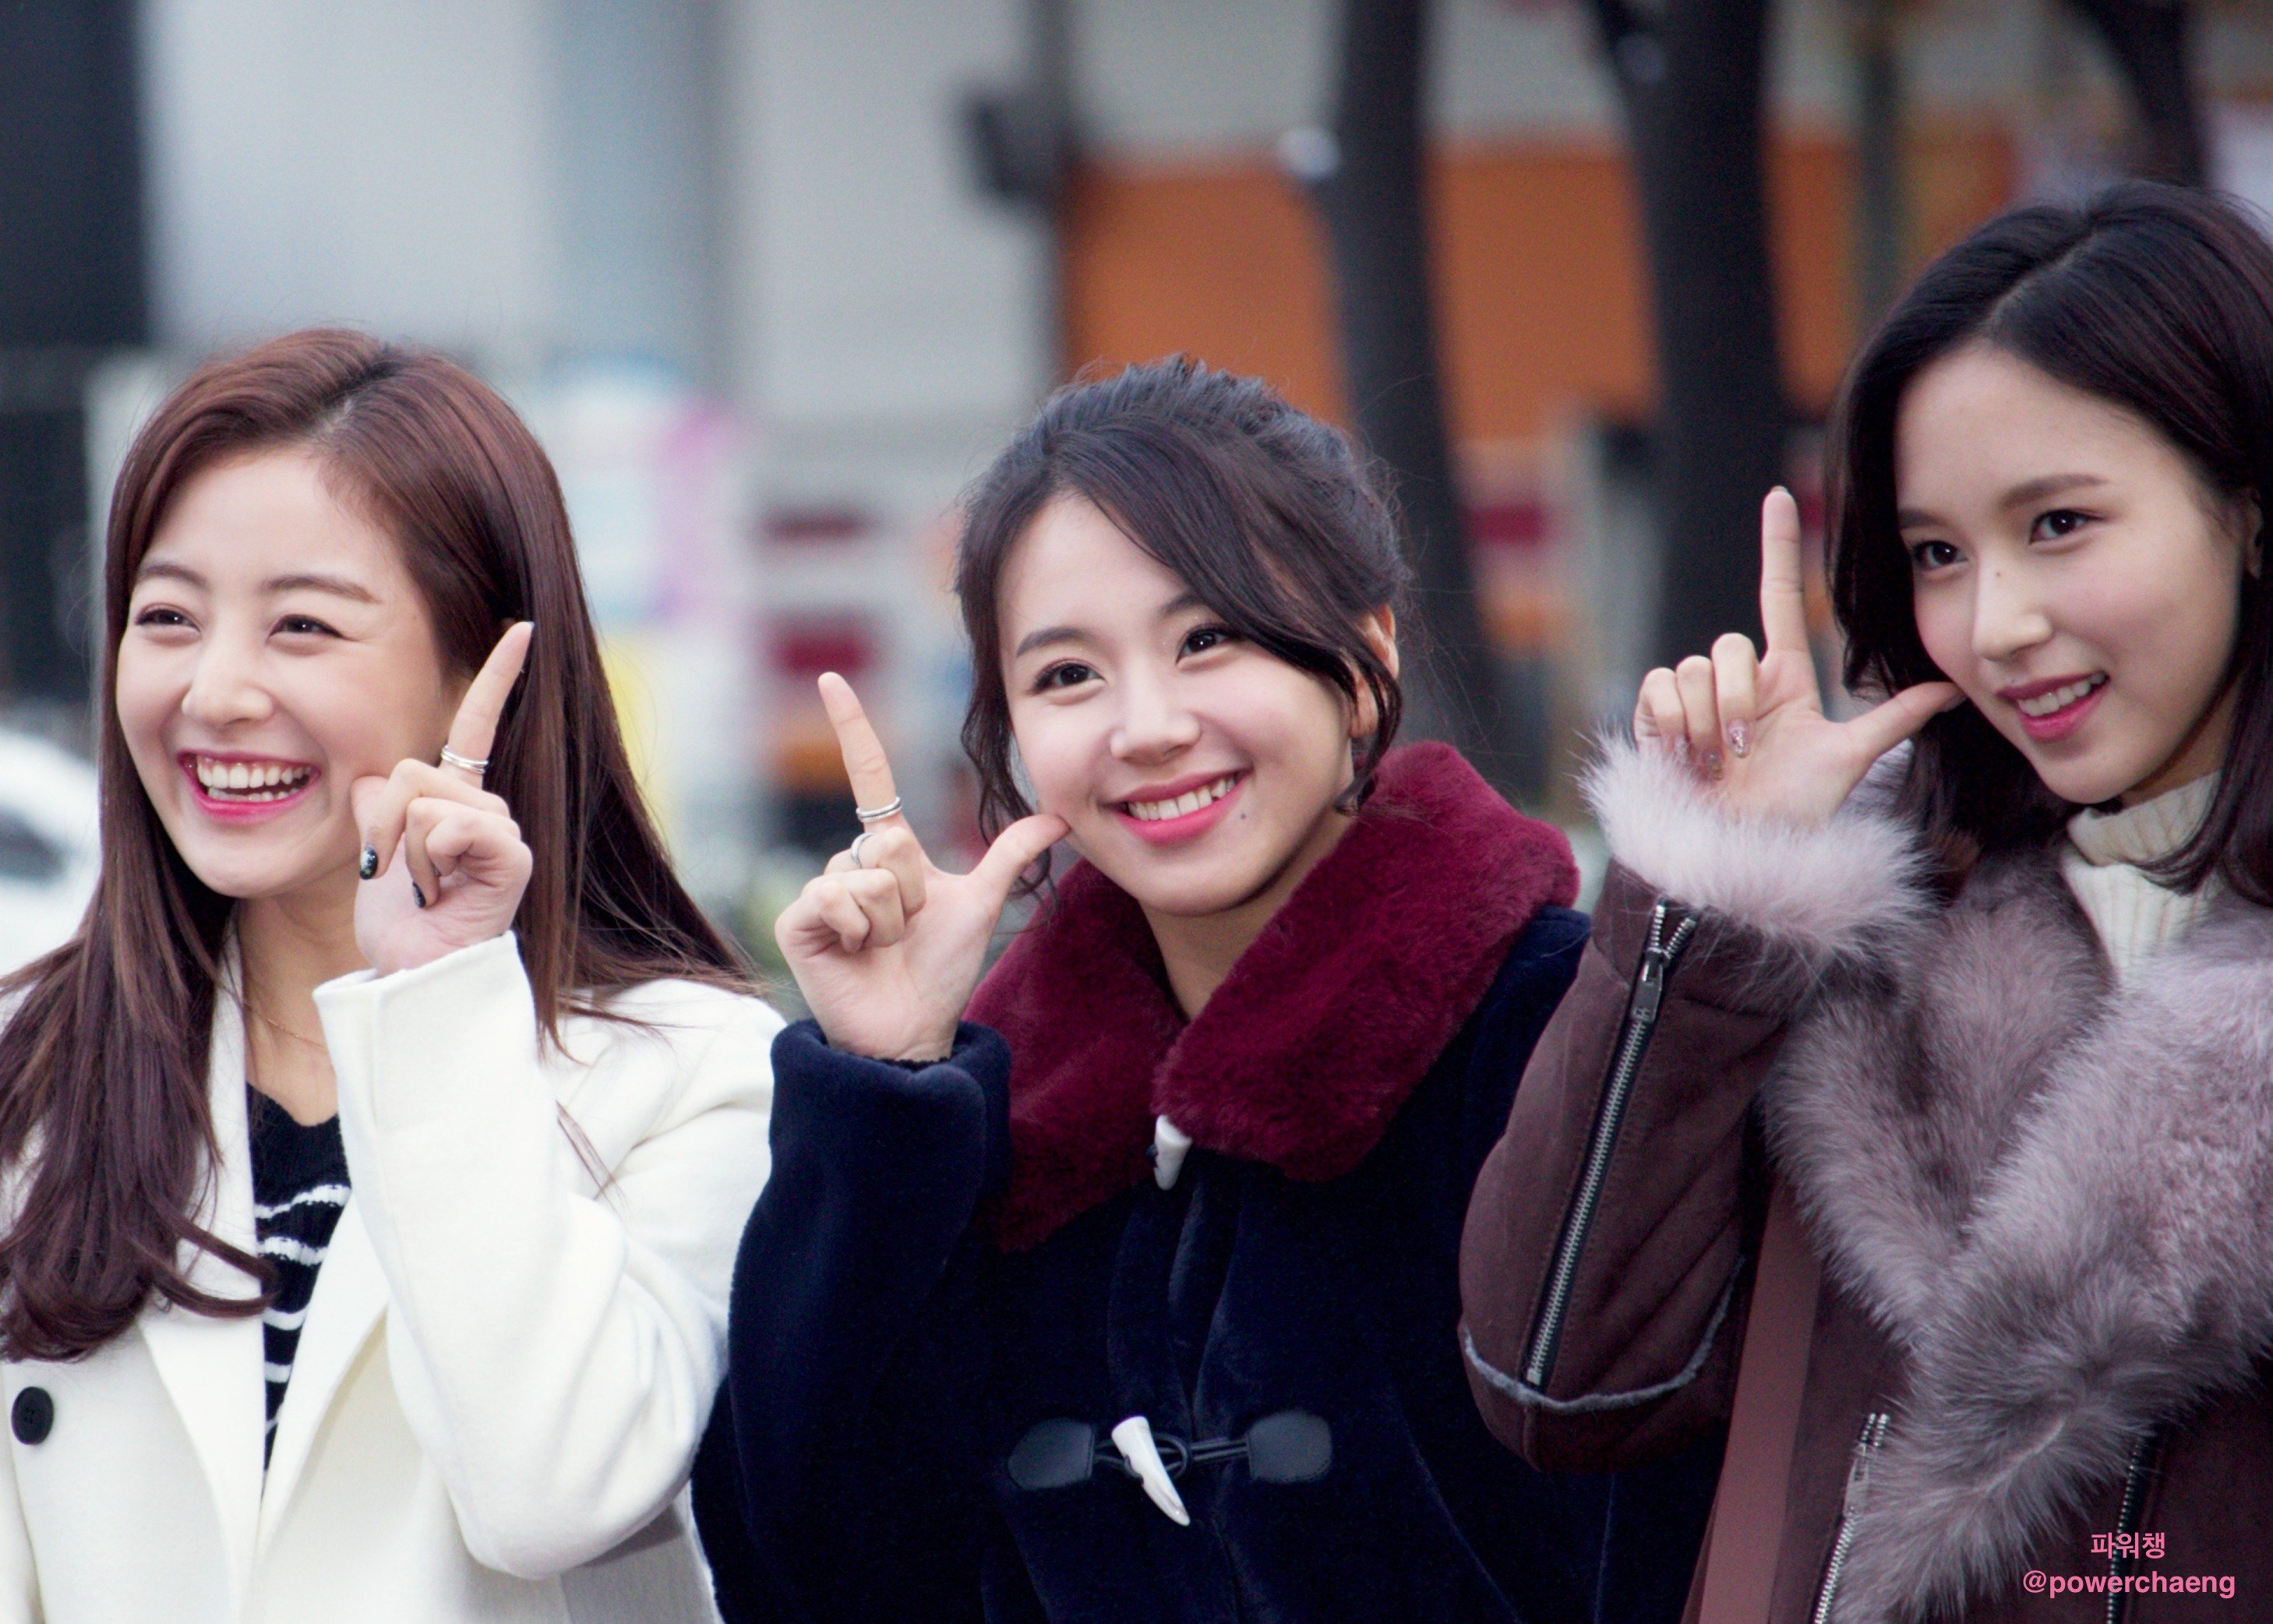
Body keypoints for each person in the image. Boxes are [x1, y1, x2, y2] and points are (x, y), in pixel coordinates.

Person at [690, 358, 1718, 1624]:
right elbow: (812, 1579)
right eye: (1066, 676)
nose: (1147, 726)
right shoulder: (993, 1122)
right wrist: (884, 1097)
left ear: (1363, 660)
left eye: (1206, 640)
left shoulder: (1565, 1031)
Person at [1459, 182, 2273, 1623]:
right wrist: (1716, 895)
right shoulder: (1864, 927)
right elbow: (1557, 1383)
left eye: (2060, 522)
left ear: (2248, 513)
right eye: (1937, 554)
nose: (1995, 625)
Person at [0, 329, 779, 1622]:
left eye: (302, 625)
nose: (216, 690)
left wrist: (435, 1000)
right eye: (167, 617)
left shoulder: (692, 1074)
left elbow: (548, 1495)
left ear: (483, 671)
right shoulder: (33, 1066)